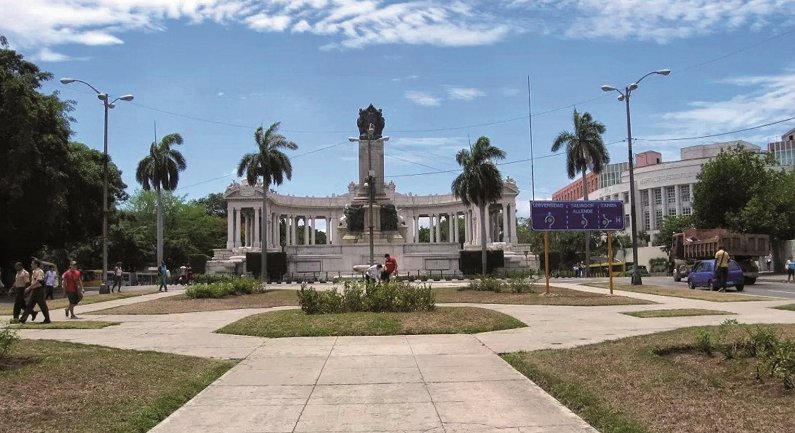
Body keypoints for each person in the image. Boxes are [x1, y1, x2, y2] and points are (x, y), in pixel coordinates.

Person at [19, 259, 50, 324]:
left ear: (36, 264)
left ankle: (47, 319)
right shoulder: (34, 271)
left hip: (39, 290)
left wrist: (29, 288)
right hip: (34, 290)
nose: (31, 265)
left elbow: (39, 280)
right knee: (29, 305)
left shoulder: (39, 271)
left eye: (32, 264)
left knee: (42, 305)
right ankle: (22, 319)